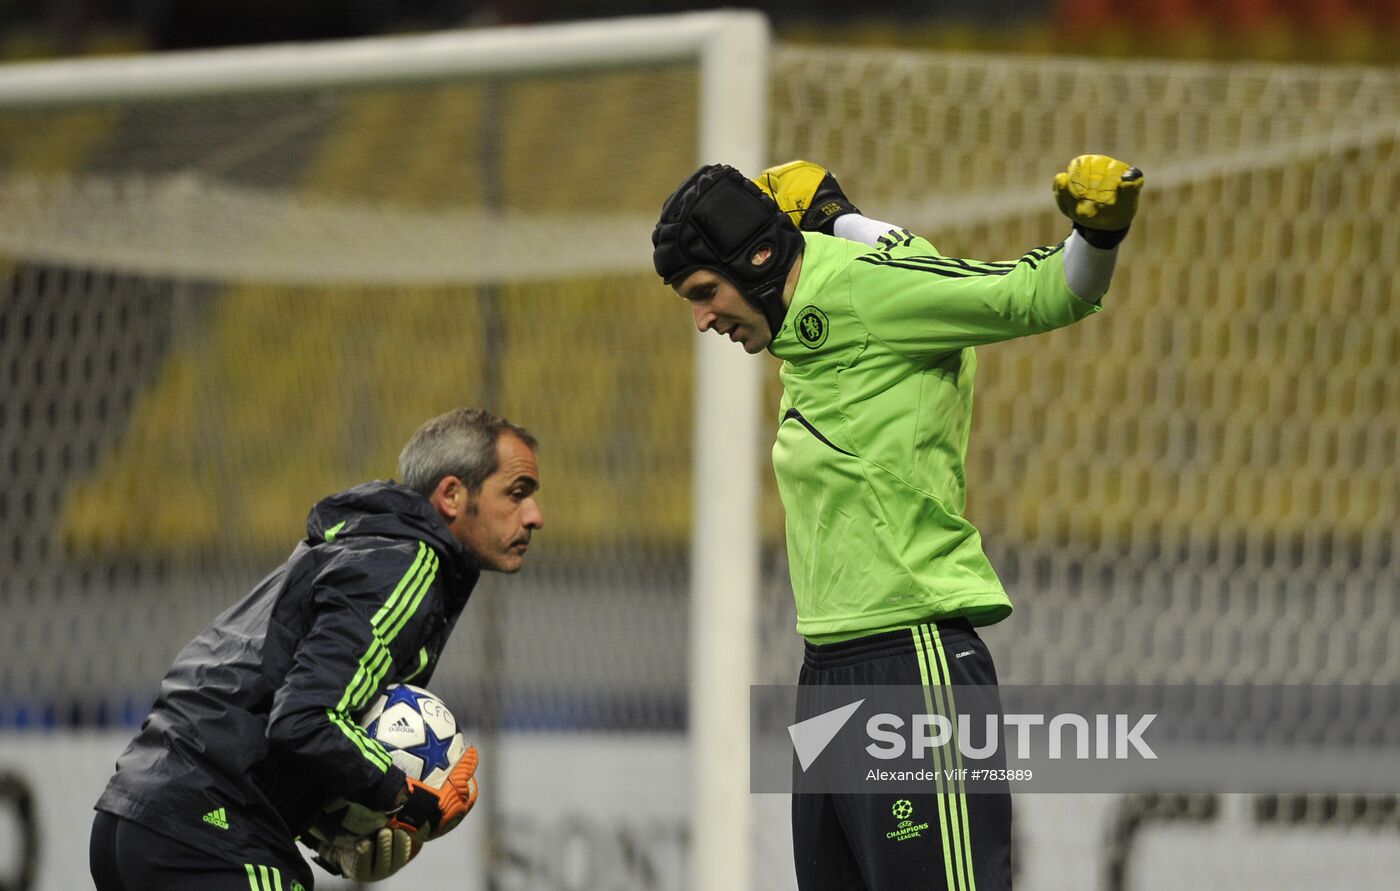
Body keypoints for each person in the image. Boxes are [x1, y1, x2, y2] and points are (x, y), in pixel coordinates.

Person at [652, 156, 1142, 890]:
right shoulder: (811, 311)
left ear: (755, 260)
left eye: (703, 291)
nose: (701, 317)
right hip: (827, 672)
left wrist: (1099, 236)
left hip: (911, 664)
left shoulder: (865, 290)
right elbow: (906, 259)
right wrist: (842, 216)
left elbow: (1038, 294)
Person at [89, 407, 544, 890]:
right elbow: (304, 720)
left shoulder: (359, 548)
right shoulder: (403, 564)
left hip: (138, 818)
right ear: (452, 495)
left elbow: (262, 706)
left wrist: (340, 841)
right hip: (207, 830)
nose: (535, 516)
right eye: (517, 494)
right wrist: (404, 795)